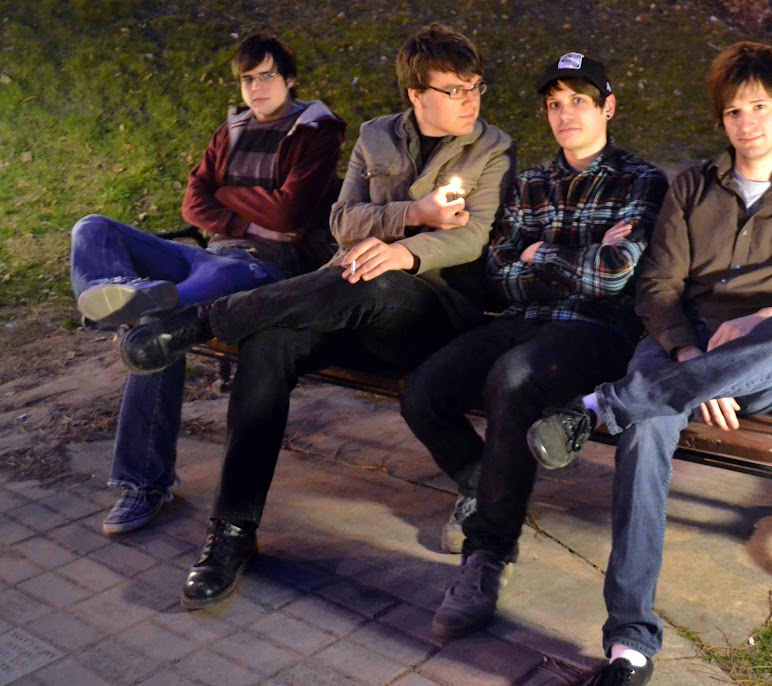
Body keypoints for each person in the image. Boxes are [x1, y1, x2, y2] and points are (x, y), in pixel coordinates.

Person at [118, 23, 515, 610]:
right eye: (453, 89)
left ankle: (203, 322)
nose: (469, 100)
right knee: (269, 345)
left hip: (429, 316)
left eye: (474, 86)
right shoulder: (377, 137)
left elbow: (472, 237)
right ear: (416, 94)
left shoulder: (492, 148)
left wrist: (404, 252)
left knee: (374, 275)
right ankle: (233, 531)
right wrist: (413, 214)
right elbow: (341, 221)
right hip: (347, 299)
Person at [526, 42, 772, 685]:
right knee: (647, 430)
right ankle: (630, 645)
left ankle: (600, 406)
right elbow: (658, 287)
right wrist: (691, 357)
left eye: (760, 107)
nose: (747, 123)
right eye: (734, 112)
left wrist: (768, 317)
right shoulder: (691, 187)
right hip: (679, 348)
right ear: (722, 120)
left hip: (762, 359)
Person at [398, 52, 668, 642]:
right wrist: (578, 257)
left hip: (595, 334)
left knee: (513, 380)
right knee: (423, 394)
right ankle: (490, 483)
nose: (565, 114)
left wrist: (539, 253)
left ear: (608, 107)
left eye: (579, 102)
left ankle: (488, 552)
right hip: (523, 320)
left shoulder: (641, 180)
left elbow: (614, 278)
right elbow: (500, 275)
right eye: (554, 104)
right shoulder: (533, 182)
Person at [68, 34, 346, 537]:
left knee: (161, 322)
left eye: (267, 76)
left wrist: (226, 196)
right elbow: (193, 203)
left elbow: (291, 213)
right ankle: (114, 293)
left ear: (290, 80)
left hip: (266, 271)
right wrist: (245, 208)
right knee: (93, 227)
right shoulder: (232, 129)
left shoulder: (317, 131)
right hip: (208, 257)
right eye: (247, 79)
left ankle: (144, 484)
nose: (256, 88)